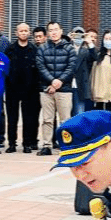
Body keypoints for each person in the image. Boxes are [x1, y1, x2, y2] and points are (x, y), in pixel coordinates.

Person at [35, 21, 76, 156]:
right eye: (51, 30)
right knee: (47, 120)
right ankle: (47, 145)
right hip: (47, 89)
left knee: (65, 120)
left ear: (61, 31)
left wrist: (59, 81)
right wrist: (52, 82)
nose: (54, 32)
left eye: (56, 29)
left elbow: (71, 67)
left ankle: (67, 146)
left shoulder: (69, 48)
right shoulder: (42, 48)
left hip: (64, 89)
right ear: (48, 33)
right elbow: (40, 67)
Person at [3, 22, 40, 152]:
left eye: (26, 31)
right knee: (12, 118)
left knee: (28, 118)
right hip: (12, 89)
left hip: (30, 89)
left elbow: (38, 70)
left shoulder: (34, 50)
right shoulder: (10, 49)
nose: (23, 33)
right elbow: (5, 69)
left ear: (29, 33)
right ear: (16, 33)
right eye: (21, 31)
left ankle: (27, 144)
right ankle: (12, 144)